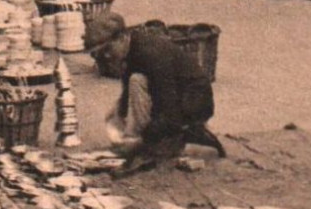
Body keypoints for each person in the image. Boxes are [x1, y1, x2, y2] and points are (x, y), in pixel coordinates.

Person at [86, 19, 226, 175]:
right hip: (173, 98)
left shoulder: (151, 54)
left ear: (122, 38)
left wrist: (143, 141)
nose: (105, 56)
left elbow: (169, 111)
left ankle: (190, 135)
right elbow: (128, 89)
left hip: (193, 103)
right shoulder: (132, 47)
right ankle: (169, 139)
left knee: (160, 143)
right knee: (136, 81)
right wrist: (119, 113)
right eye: (98, 53)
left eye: (107, 50)